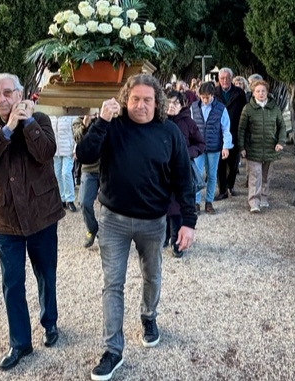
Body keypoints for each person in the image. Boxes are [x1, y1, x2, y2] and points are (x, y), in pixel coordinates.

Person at [77, 74, 196, 381]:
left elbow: (185, 178)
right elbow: (85, 155)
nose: (140, 106)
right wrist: (101, 121)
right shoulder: (112, 126)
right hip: (113, 220)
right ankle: (113, 350)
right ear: (124, 99)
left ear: (156, 102)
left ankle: (149, 316)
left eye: (147, 100)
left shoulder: (169, 132)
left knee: (152, 275)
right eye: (134, 99)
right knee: (112, 284)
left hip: (153, 222)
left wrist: (188, 222)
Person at [0, 73, 66, 371]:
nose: (1, 99)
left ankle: (49, 322)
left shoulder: (41, 121)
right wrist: (8, 130)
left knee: (45, 273)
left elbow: (46, 152)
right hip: (6, 219)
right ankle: (20, 342)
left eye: (7, 93)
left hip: (41, 214)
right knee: (12, 282)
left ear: (20, 94)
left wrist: (26, 124)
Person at [164, 91, 205, 257]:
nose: (171, 106)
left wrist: (185, 153)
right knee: (163, 206)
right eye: (168, 102)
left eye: (175, 103)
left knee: (177, 208)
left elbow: (201, 143)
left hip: (181, 170)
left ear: (182, 105)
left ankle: (176, 242)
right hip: (163, 170)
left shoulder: (188, 122)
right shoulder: (158, 121)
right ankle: (164, 237)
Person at [238, 80, 286, 213]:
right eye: (258, 91)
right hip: (253, 148)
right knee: (255, 175)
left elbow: (282, 126)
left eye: (263, 91)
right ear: (253, 93)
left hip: (271, 148)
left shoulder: (274, 108)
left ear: (267, 92)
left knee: (266, 176)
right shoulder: (248, 109)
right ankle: (254, 202)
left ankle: (264, 198)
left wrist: (281, 142)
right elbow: (241, 130)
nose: (261, 94)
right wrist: (241, 147)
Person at [190, 82, 232, 214]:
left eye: (207, 97)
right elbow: (190, 127)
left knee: (212, 175)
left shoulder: (221, 108)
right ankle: (196, 202)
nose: (204, 100)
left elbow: (226, 129)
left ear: (213, 96)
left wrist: (226, 147)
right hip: (198, 146)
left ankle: (209, 202)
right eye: (202, 97)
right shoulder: (193, 107)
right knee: (197, 174)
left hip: (214, 147)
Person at [214, 68, 246, 202]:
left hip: (235, 130)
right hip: (218, 132)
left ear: (231, 78)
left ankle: (230, 185)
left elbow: (245, 110)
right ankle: (222, 190)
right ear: (218, 79)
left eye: (227, 78)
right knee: (220, 163)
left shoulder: (239, 93)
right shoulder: (214, 93)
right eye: (222, 78)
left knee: (234, 162)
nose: (224, 80)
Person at [72, 112, 100, 248]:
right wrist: (85, 124)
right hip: (89, 169)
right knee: (84, 202)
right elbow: (78, 140)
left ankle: (107, 234)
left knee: (110, 206)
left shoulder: (107, 118)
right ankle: (92, 228)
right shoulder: (78, 121)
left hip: (109, 168)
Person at [50, 114, 78, 212]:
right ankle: (62, 198)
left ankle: (70, 199)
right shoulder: (51, 116)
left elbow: (77, 133)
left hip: (68, 150)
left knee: (66, 172)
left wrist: (75, 149)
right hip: (56, 150)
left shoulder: (71, 116)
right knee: (57, 174)